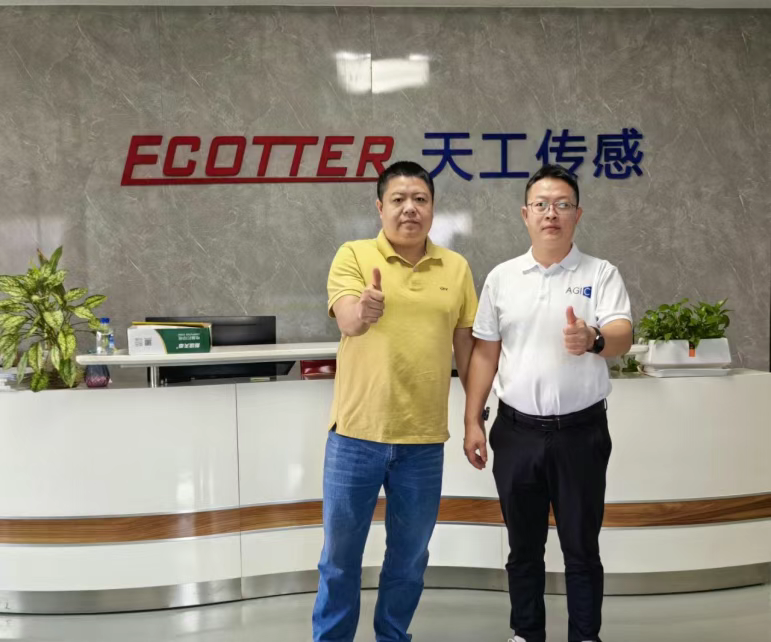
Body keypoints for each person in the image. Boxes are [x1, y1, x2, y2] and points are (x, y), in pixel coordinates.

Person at [463, 164, 633, 642]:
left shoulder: (601, 273)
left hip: (581, 434)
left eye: (562, 205)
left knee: (581, 548)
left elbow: (622, 333)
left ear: (578, 214)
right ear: (525, 214)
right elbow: (485, 354)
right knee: (523, 548)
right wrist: (473, 419)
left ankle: (585, 635)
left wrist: (593, 338)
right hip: (516, 433)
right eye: (541, 205)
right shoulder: (502, 278)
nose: (551, 214)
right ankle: (526, 632)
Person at [312, 160, 478, 642]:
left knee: (408, 560)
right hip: (355, 437)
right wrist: (364, 310)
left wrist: (474, 420)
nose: (410, 209)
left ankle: (393, 636)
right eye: (399, 199)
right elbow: (347, 318)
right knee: (339, 559)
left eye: (420, 199)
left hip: (423, 441)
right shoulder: (354, 254)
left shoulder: (456, 268)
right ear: (379, 207)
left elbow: (467, 352)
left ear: (433, 208)